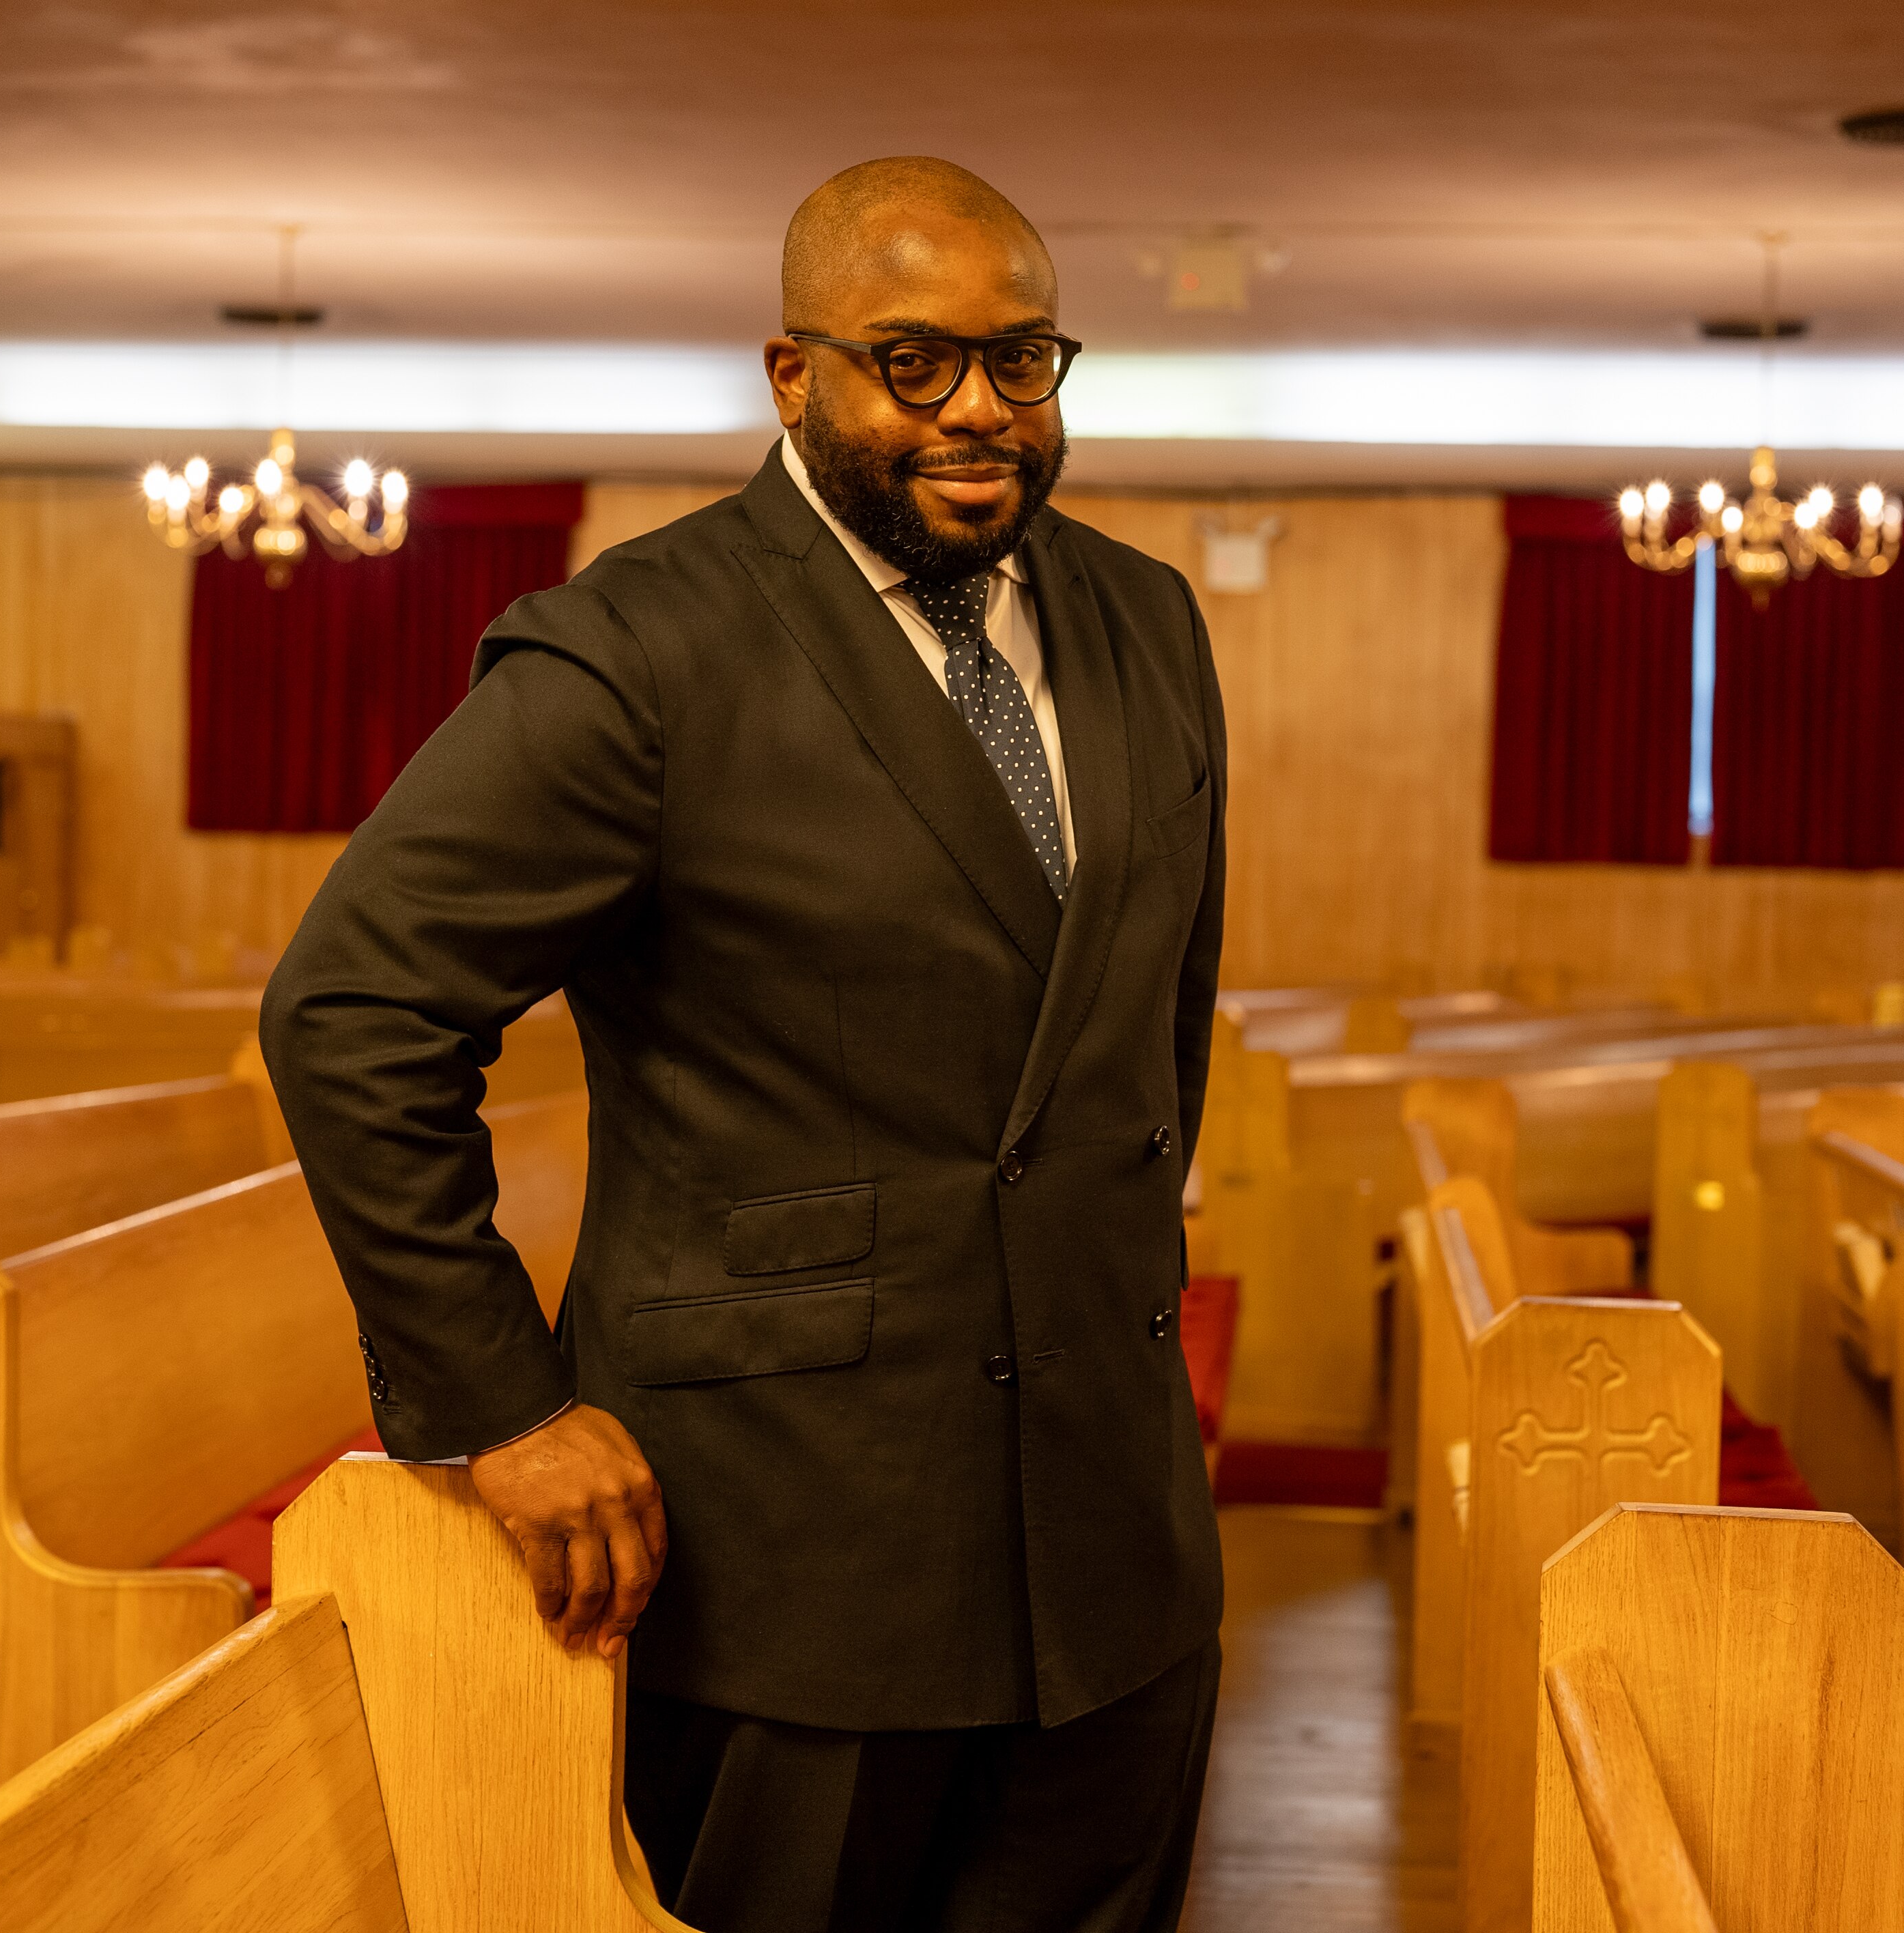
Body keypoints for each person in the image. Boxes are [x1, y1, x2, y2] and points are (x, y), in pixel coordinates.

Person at [262, 154, 1228, 1933]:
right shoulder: (637, 649)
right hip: (793, 1537)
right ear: (795, 375)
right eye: (915, 362)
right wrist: (496, 1409)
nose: (982, 412)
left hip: (1113, 1536)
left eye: (1026, 362)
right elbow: (352, 1011)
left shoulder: (1148, 623)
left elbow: (1153, 1028)